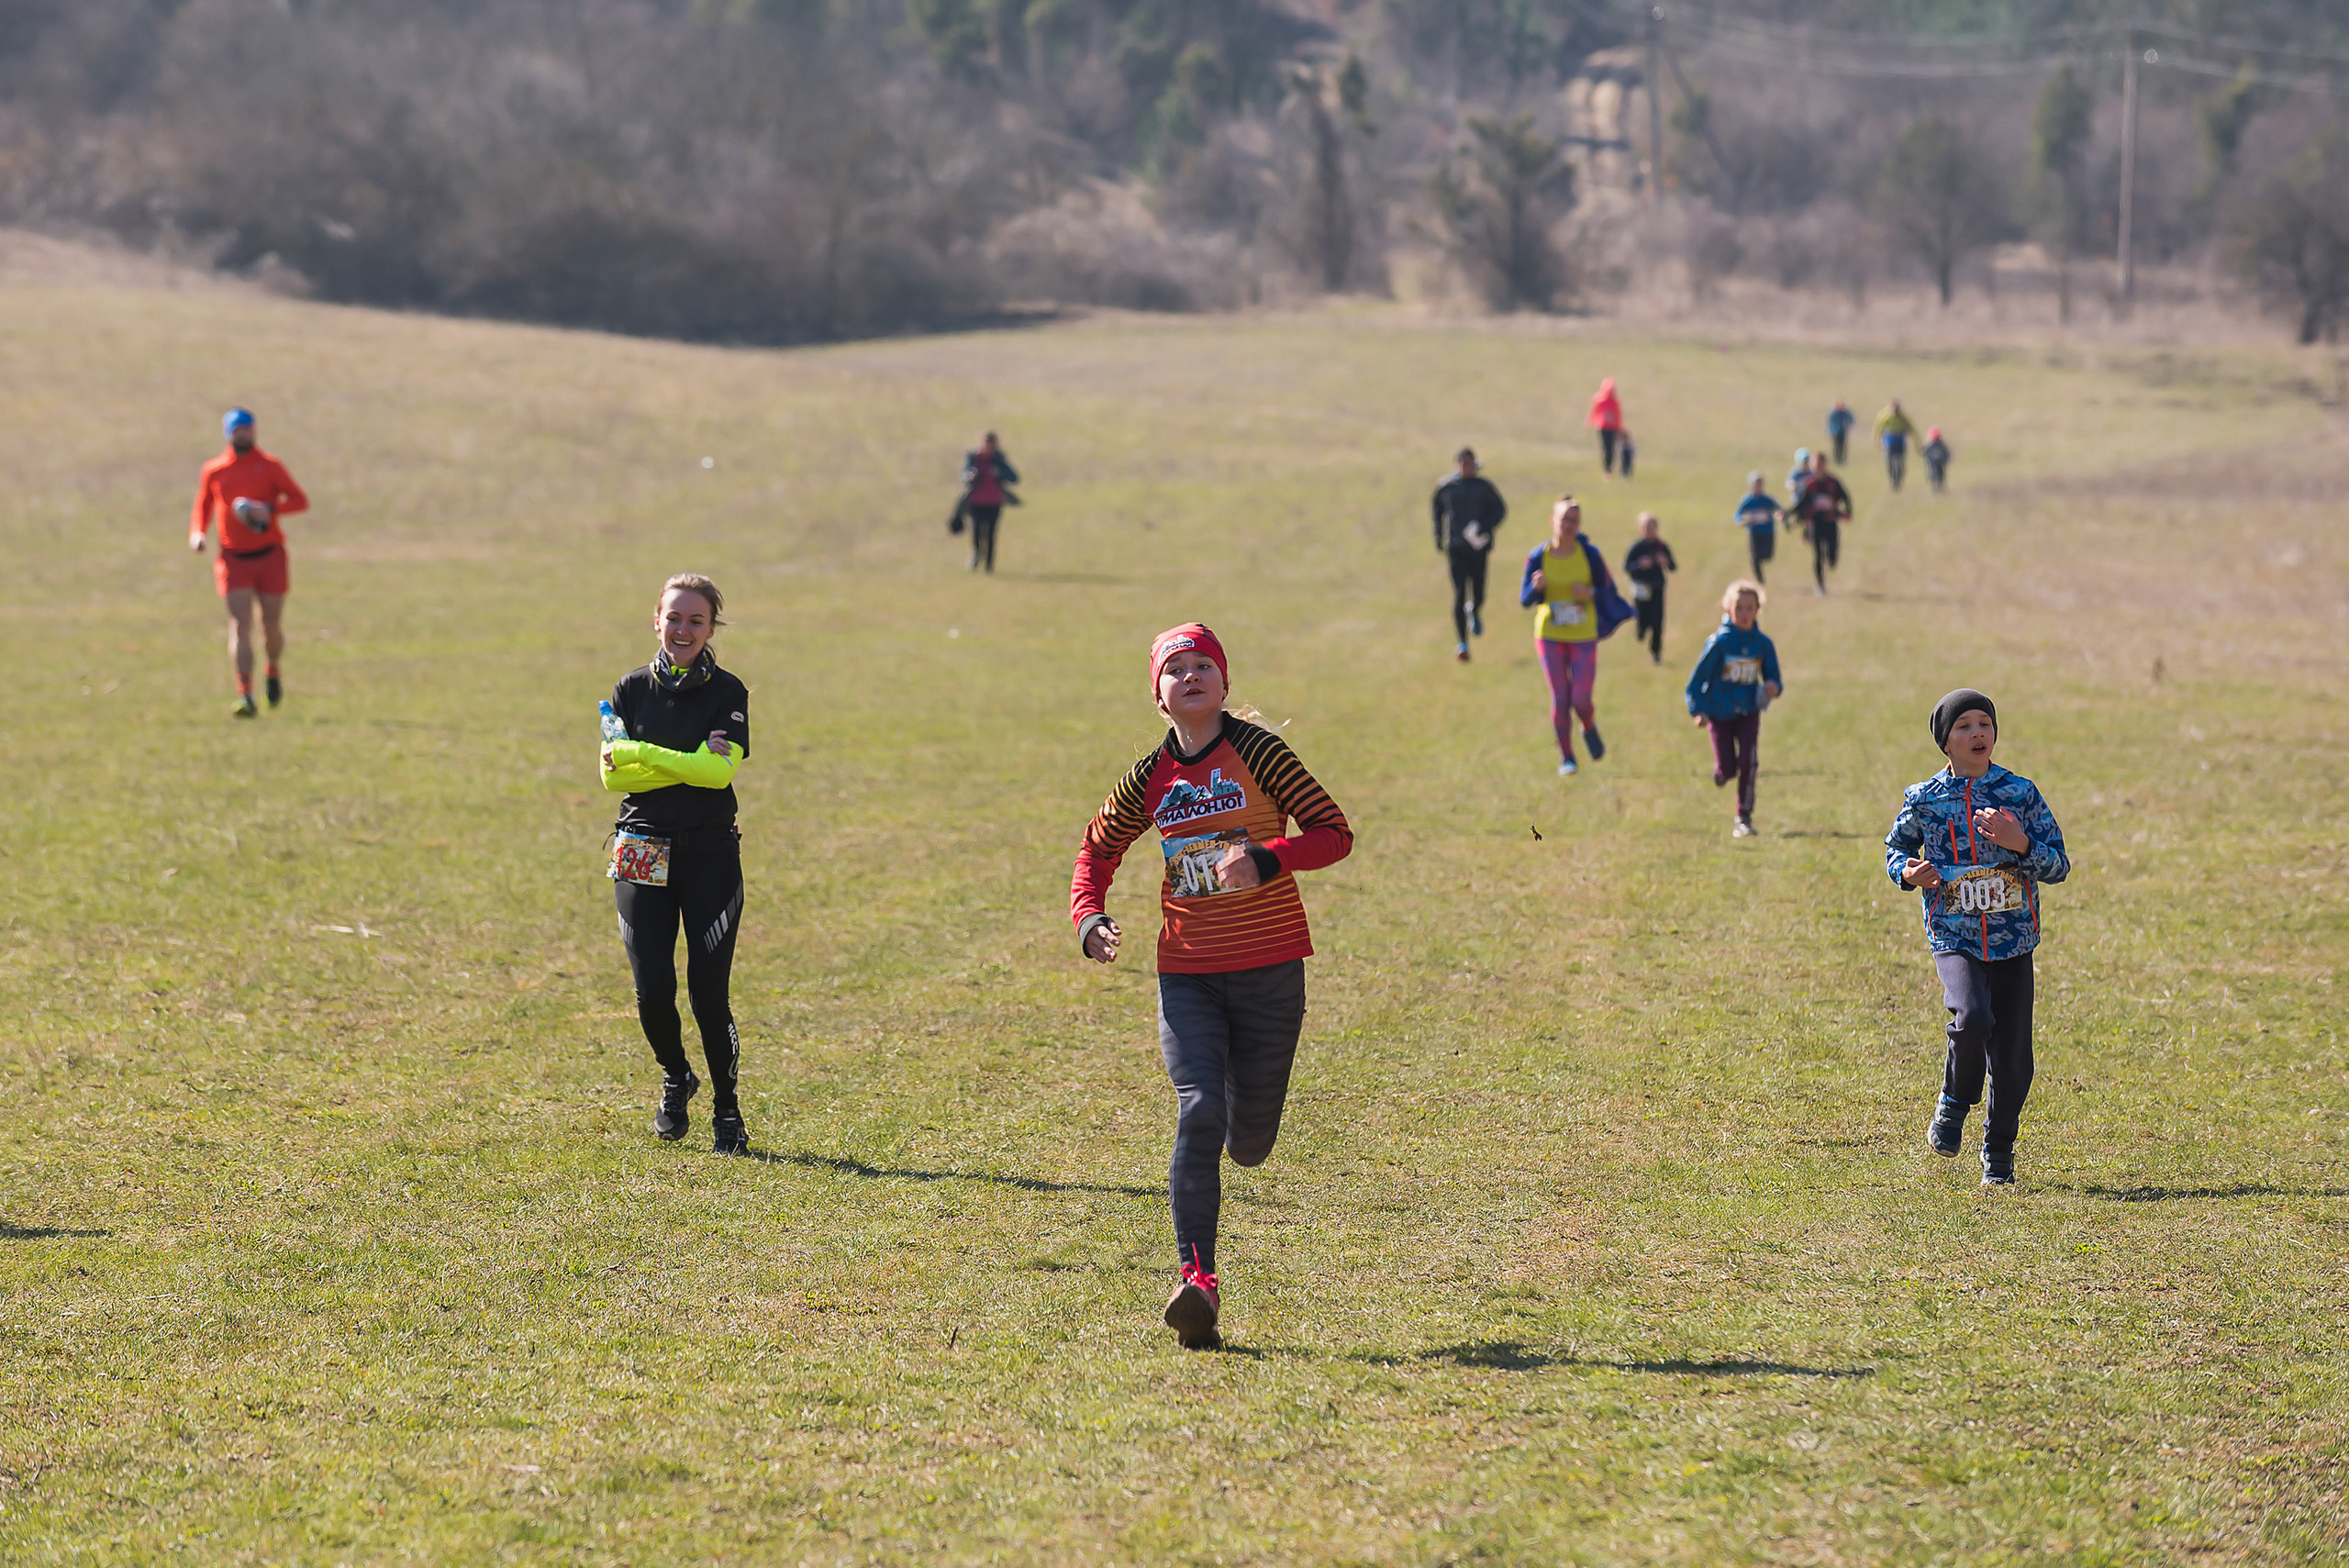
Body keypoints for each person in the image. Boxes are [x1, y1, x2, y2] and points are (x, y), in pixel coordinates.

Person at [1070, 624, 1353, 1348]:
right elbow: (1096, 848)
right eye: (1176, 668)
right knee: (1198, 1108)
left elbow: (1333, 831)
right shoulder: (1149, 777)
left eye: (1204, 665)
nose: (1191, 675)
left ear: (1225, 684)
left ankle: (1239, 1113)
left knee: (1249, 1141)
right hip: (1188, 973)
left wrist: (1268, 857)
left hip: (1270, 972)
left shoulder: (1260, 752)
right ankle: (1198, 1283)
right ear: (1158, 696)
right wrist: (1088, 915)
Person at [1886, 690, 2070, 1187]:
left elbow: (2059, 865)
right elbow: (1895, 849)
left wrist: (2020, 843)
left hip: (2014, 941)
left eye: (1984, 723)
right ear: (1946, 742)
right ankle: (1954, 1102)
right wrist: (1908, 873)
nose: (1977, 733)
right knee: (1972, 1018)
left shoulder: (2020, 794)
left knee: (2014, 1060)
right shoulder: (1924, 798)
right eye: (1964, 726)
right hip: (1955, 935)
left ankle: (1999, 1150)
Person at [600, 574, 754, 1156]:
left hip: (710, 852)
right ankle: (675, 1076)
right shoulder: (629, 689)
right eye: (674, 617)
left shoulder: (728, 691)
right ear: (656, 620)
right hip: (640, 845)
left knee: (708, 997)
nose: (683, 629)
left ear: (712, 628)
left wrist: (642, 754)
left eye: (696, 620)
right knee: (652, 991)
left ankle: (727, 1111)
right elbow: (612, 776)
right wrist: (686, 761)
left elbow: (718, 775)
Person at [188, 408, 309, 718]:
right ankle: (245, 694)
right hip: (232, 558)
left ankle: (273, 669)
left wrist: (268, 509)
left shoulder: (270, 466)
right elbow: (204, 504)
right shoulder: (215, 470)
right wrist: (198, 533)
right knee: (240, 625)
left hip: (270, 556)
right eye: (236, 430)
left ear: (253, 432)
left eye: (246, 429)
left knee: (270, 625)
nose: (242, 435)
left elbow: (299, 501)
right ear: (227, 433)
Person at [1519, 495, 1633, 776]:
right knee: (1561, 698)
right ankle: (1567, 757)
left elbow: (1609, 592)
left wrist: (1589, 593)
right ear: (1553, 521)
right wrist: (1536, 588)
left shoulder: (1590, 554)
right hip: (1549, 633)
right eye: (1564, 520)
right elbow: (1525, 599)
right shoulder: (1538, 556)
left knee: (1580, 699)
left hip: (1583, 634)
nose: (1569, 525)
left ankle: (1588, 725)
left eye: (1574, 520)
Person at [1685, 581, 1782, 839]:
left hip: (1749, 712)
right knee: (1729, 768)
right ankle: (1721, 773)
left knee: (1749, 761)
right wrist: (1697, 710)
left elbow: (1773, 676)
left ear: (1757, 610)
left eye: (1749, 608)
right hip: (1719, 714)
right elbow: (1696, 682)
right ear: (1727, 609)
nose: (1744, 613)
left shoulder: (1763, 644)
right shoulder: (1719, 643)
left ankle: (1744, 817)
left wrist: (1773, 686)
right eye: (1738, 608)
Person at [1431, 448, 1507, 662]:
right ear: (1457, 464)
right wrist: (1439, 536)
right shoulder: (1446, 487)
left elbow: (1500, 510)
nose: (1467, 467)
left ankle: (1475, 609)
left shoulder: (1483, 487)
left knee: (1479, 591)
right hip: (1456, 547)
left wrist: (1483, 526)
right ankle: (1462, 643)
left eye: (1470, 463)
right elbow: (1437, 511)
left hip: (1479, 548)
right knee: (1459, 592)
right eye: (1464, 463)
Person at [959, 432, 1020, 573]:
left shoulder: (998, 459)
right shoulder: (973, 457)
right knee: (976, 531)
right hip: (976, 501)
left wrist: (999, 473)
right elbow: (963, 474)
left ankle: (989, 565)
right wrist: (969, 476)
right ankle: (977, 554)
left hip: (994, 502)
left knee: (991, 534)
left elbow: (1014, 477)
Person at [1794, 450, 1853, 596]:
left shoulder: (1833, 482)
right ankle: (1820, 585)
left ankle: (1830, 561)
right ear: (1811, 466)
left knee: (1832, 557)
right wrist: (1788, 513)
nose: (1818, 467)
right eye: (1815, 465)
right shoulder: (1809, 484)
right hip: (1815, 523)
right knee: (1818, 555)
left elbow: (1845, 497)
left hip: (1830, 522)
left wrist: (1847, 512)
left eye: (1821, 464)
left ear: (1825, 465)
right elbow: (1800, 503)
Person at [1622, 511, 1676, 664]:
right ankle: (1640, 630)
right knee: (1643, 617)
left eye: (1652, 527)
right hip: (1641, 589)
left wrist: (1665, 561)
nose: (1649, 530)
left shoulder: (1661, 546)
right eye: (1646, 527)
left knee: (1658, 621)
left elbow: (1673, 566)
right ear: (1640, 528)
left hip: (1657, 588)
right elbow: (1627, 567)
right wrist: (1640, 565)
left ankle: (1656, 653)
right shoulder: (1637, 547)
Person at [1733, 473, 1781, 585]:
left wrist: (1779, 516)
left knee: (1768, 556)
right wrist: (1743, 521)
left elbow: (1779, 509)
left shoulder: (1767, 499)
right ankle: (1760, 580)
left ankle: (1761, 575)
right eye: (1755, 484)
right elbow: (1737, 515)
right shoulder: (1747, 500)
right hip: (1754, 532)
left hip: (1768, 531)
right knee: (1755, 558)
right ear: (1751, 486)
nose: (1758, 487)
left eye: (1760, 484)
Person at [1875, 399, 1917, 492]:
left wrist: (1917, 442)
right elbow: (1879, 429)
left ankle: (1898, 481)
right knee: (1889, 464)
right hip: (1889, 444)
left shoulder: (1902, 418)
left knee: (1900, 464)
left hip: (1900, 443)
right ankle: (1893, 480)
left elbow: (1911, 428)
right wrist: (1877, 440)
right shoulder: (1885, 417)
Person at [1586, 378, 1624, 475]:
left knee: (1611, 448)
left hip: (1613, 427)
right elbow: (1594, 411)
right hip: (1602, 426)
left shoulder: (1615, 401)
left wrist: (1619, 427)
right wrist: (1591, 421)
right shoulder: (1599, 399)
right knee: (1606, 448)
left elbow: (1618, 414)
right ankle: (1607, 469)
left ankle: (1610, 469)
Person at [1923, 427, 1953, 493]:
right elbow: (1925, 455)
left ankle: (1940, 487)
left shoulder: (1942, 445)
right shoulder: (1929, 446)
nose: (1936, 439)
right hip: (1932, 464)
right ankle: (1934, 489)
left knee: (1941, 476)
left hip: (1940, 464)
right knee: (1933, 476)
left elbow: (1946, 453)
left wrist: (1945, 460)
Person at [1826, 401, 1854, 465]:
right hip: (1835, 432)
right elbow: (1830, 422)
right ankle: (1837, 460)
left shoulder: (1844, 413)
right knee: (1836, 447)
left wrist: (1848, 425)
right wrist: (1830, 432)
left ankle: (1842, 460)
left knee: (1843, 447)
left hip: (1843, 432)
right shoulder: (1834, 414)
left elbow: (1851, 418)